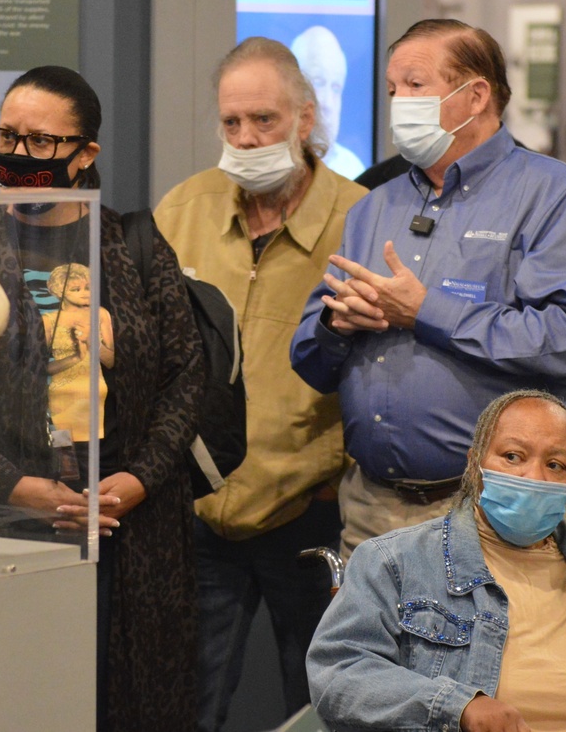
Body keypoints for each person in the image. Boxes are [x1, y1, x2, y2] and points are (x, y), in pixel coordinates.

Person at [0, 65, 205, 731]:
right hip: (4, 523)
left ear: (86, 155)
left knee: (131, 702)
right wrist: (17, 485)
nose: (17, 156)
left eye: (41, 143)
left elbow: (186, 375)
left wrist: (138, 479)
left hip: (133, 529)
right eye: (9, 136)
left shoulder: (133, 243)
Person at [290, 19, 566, 561]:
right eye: (393, 90)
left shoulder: (552, 195)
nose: (399, 103)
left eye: (415, 86)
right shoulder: (374, 206)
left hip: (497, 510)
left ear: (476, 95)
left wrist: (427, 311)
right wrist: (335, 325)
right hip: (373, 509)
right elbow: (309, 358)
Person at [154, 37, 367, 730]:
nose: (246, 139)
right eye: (232, 123)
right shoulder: (182, 209)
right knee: (185, 698)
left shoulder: (361, 218)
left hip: (311, 509)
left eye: (264, 121)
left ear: (304, 118)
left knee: (322, 702)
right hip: (200, 509)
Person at [307, 389, 566, 731]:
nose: (534, 477)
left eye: (556, 464)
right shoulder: (395, 562)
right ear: (474, 465)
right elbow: (340, 671)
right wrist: (459, 706)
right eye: (513, 456)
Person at [290, 25, 366, 179]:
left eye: (336, 88)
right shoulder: (270, 166)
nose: (327, 104)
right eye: (318, 82)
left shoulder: (354, 170)